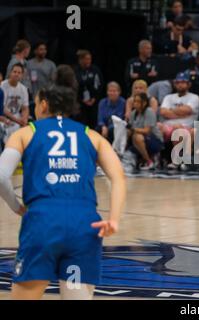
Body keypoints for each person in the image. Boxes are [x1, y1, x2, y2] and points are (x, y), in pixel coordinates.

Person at [0, 85, 126, 300]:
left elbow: (1, 176)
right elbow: (118, 178)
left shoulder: (26, 132)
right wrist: (113, 219)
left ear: (44, 104)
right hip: (85, 225)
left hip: (42, 222)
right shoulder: (92, 135)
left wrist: (17, 206)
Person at [159, 72, 199, 169]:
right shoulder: (168, 97)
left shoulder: (194, 97)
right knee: (157, 127)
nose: (180, 84)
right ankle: (155, 159)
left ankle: (176, 161)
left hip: (185, 127)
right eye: (178, 82)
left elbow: (188, 110)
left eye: (183, 82)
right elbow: (163, 112)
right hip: (167, 126)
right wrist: (180, 112)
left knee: (178, 130)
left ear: (189, 84)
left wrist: (170, 112)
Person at [128, 93, 164, 170]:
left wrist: (133, 129)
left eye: (138, 102)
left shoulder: (149, 111)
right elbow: (130, 129)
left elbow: (147, 131)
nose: (135, 104)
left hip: (155, 140)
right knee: (130, 136)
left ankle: (149, 161)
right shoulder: (133, 113)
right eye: (135, 101)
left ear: (144, 103)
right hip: (140, 141)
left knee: (137, 136)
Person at [74, 50, 104, 129]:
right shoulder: (75, 71)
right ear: (80, 60)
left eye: (89, 59)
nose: (88, 61)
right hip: (80, 103)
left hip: (93, 102)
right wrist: (81, 99)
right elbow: (73, 87)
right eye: (86, 59)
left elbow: (100, 85)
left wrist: (94, 98)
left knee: (93, 124)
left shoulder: (95, 70)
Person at [0, 63, 30, 142]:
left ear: (22, 75)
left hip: (17, 118)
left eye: (19, 73)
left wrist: (24, 119)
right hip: (3, 118)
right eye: (14, 72)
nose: (16, 74)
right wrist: (17, 121)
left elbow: (25, 108)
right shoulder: (2, 86)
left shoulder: (23, 89)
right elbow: (2, 109)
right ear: (10, 73)